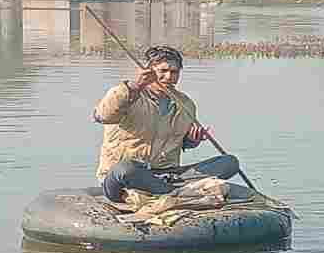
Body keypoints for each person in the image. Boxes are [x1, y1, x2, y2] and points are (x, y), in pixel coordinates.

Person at [93, 45, 240, 202]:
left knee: (229, 162)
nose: (169, 77)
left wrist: (192, 140)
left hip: (167, 175)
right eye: (163, 71)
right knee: (126, 169)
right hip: (127, 177)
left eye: (174, 72)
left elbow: (180, 143)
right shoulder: (126, 94)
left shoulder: (185, 104)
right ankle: (176, 193)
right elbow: (103, 116)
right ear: (149, 71)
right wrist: (137, 86)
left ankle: (169, 190)